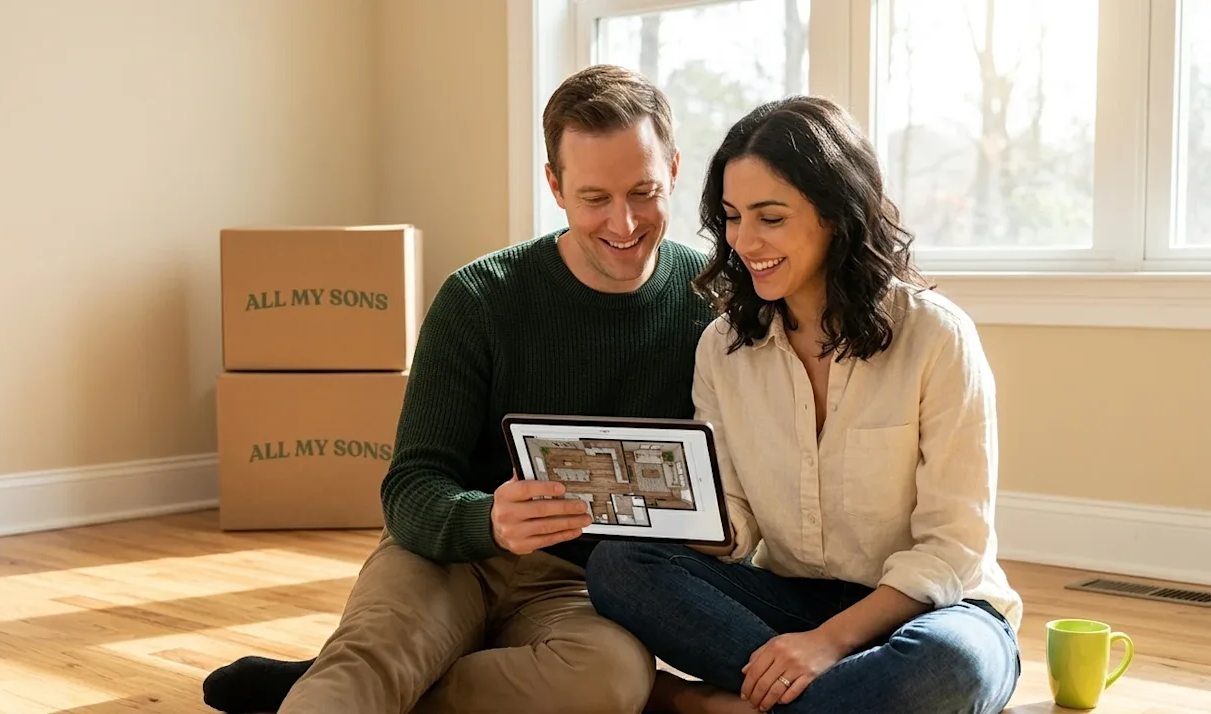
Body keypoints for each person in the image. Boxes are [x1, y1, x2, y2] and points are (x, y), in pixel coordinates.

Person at [200, 64, 716, 714]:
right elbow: (409, 488)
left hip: (581, 586)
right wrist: (487, 519)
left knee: (613, 682)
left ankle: (377, 682)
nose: (624, 222)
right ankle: (364, 675)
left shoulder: (716, 302)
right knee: (371, 658)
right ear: (555, 186)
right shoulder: (480, 298)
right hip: (452, 557)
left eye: (643, 191)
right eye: (595, 198)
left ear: (673, 169)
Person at [584, 96, 1024, 714]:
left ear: (837, 215)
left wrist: (824, 644)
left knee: (950, 668)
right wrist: (666, 512)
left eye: (770, 217)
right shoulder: (723, 348)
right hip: (794, 600)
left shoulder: (936, 337)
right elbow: (737, 520)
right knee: (619, 564)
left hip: (933, 611)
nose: (744, 241)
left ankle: (708, 705)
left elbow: (953, 549)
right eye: (733, 217)